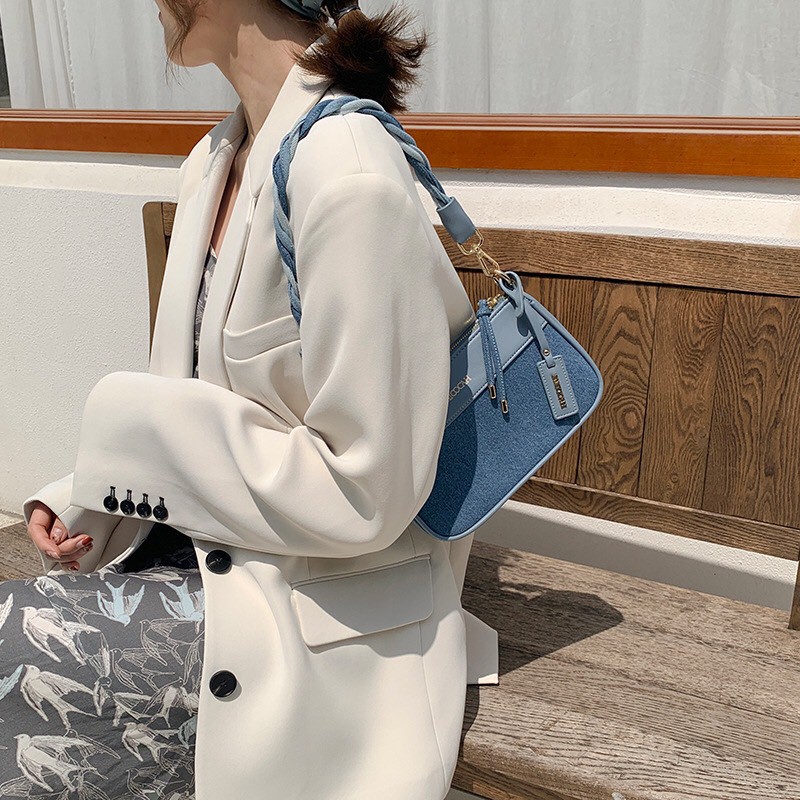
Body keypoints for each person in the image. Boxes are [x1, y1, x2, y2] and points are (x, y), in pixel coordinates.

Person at [12, 1, 497, 798]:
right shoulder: (215, 160)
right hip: (218, 567)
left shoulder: (347, 171)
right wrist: (86, 496)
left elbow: (368, 490)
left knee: (19, 655)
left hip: (323, 608)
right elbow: (201, 406)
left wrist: (122, 428)